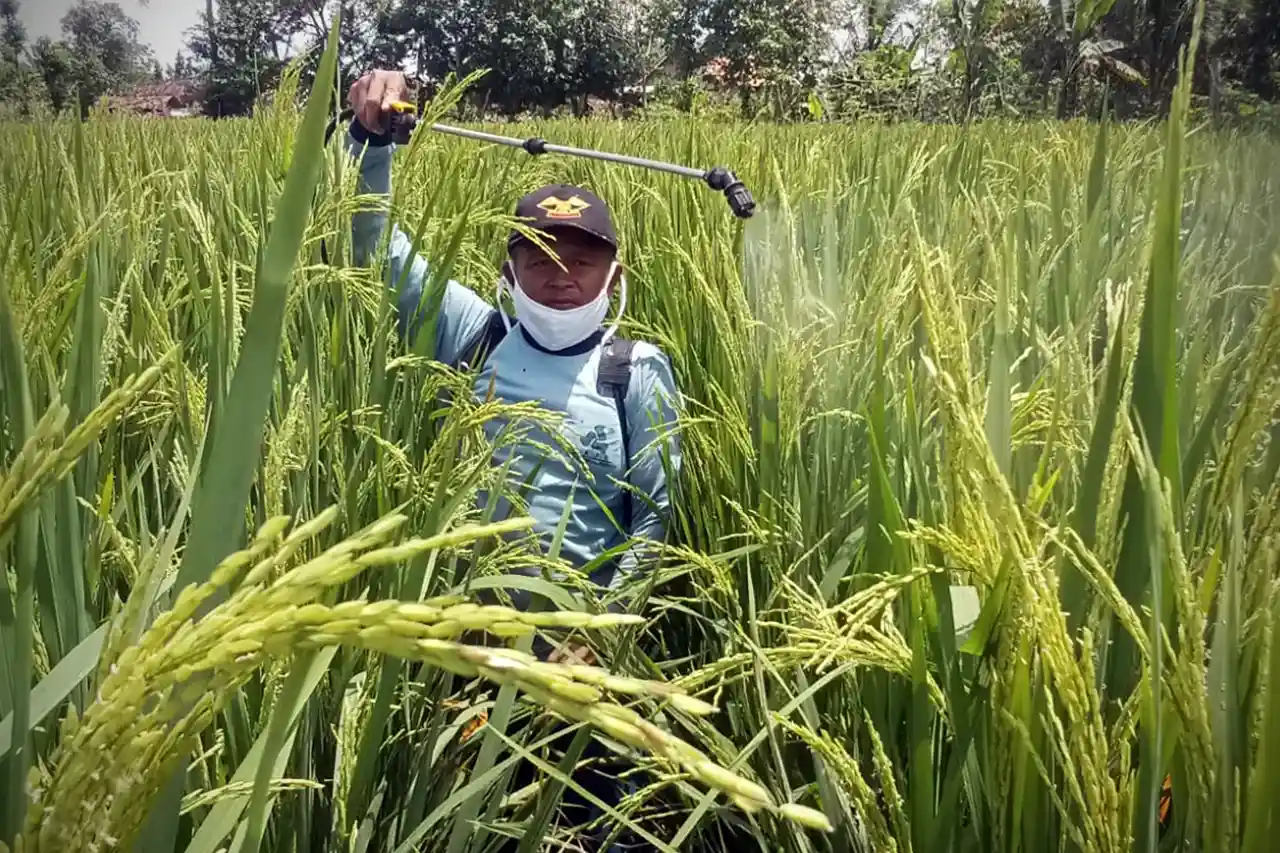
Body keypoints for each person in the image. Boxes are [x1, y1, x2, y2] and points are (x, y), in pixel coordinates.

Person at [343, 69, 679, 848]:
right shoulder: (475, 334)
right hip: (478, 650)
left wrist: (597, 634)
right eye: (537, 259)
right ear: (507, 273)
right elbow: (370, 241)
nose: (560, 278)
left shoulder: (634, 369)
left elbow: (655, 518)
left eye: (583, 262)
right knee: (476, 827)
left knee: (601, 825)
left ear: (614, 276)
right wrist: (372, 139)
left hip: (587, 657)